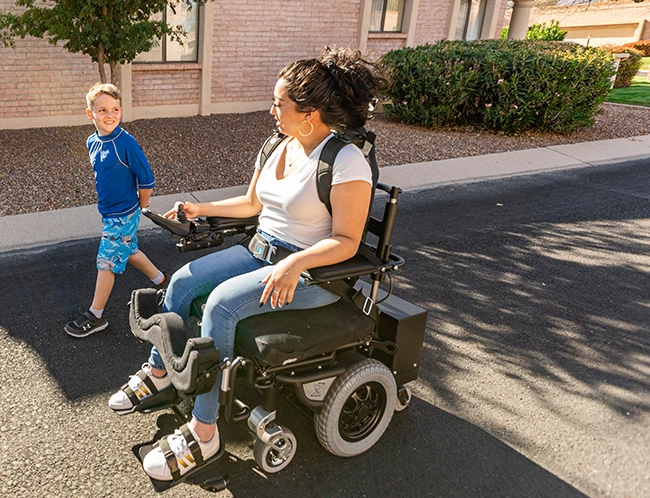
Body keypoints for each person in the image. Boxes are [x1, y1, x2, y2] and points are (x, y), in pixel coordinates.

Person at [108, 47, 388, 481]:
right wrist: (201, 210)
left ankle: (204, 433)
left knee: (221, 306)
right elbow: (254, 203)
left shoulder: (346, 161)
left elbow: (348, 242)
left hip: (311, 275)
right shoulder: (278, 144)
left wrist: (296, 264)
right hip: (261, 251)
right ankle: (161, 372)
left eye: (280, 103)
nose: (272, 110)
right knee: (182, 282)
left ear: (309, 113)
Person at [64, 83, 167, 338]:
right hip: (110, 213)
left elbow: (146, 178)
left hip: (123, 214)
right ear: (91, 114)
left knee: (106, 263)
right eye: (102, 110)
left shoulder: (126, 143)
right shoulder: (93, 141)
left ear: (121, 111)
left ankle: (95, 315)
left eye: (115, 109)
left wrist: (142, 205)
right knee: (129, 249)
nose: (109, 115)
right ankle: (162, 281)